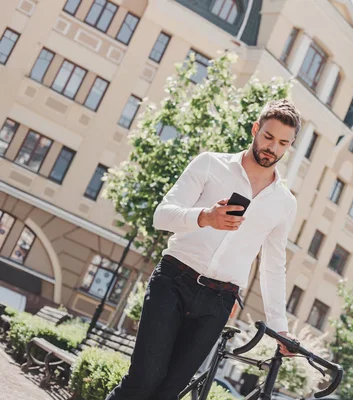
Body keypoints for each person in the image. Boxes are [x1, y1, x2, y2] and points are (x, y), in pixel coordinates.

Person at [106, 99, 301, 400]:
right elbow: (162, 215)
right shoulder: (211, 164)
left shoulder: (285, 203)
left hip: (219, 301)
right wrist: (205, 217)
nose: (272, 147)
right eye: (268, 137)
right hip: (174, 281)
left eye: (282, 143)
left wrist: (281, 328)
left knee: (168, 393)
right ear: (255, 129)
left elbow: (274, 266)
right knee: (143, 381)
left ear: (290, 146)